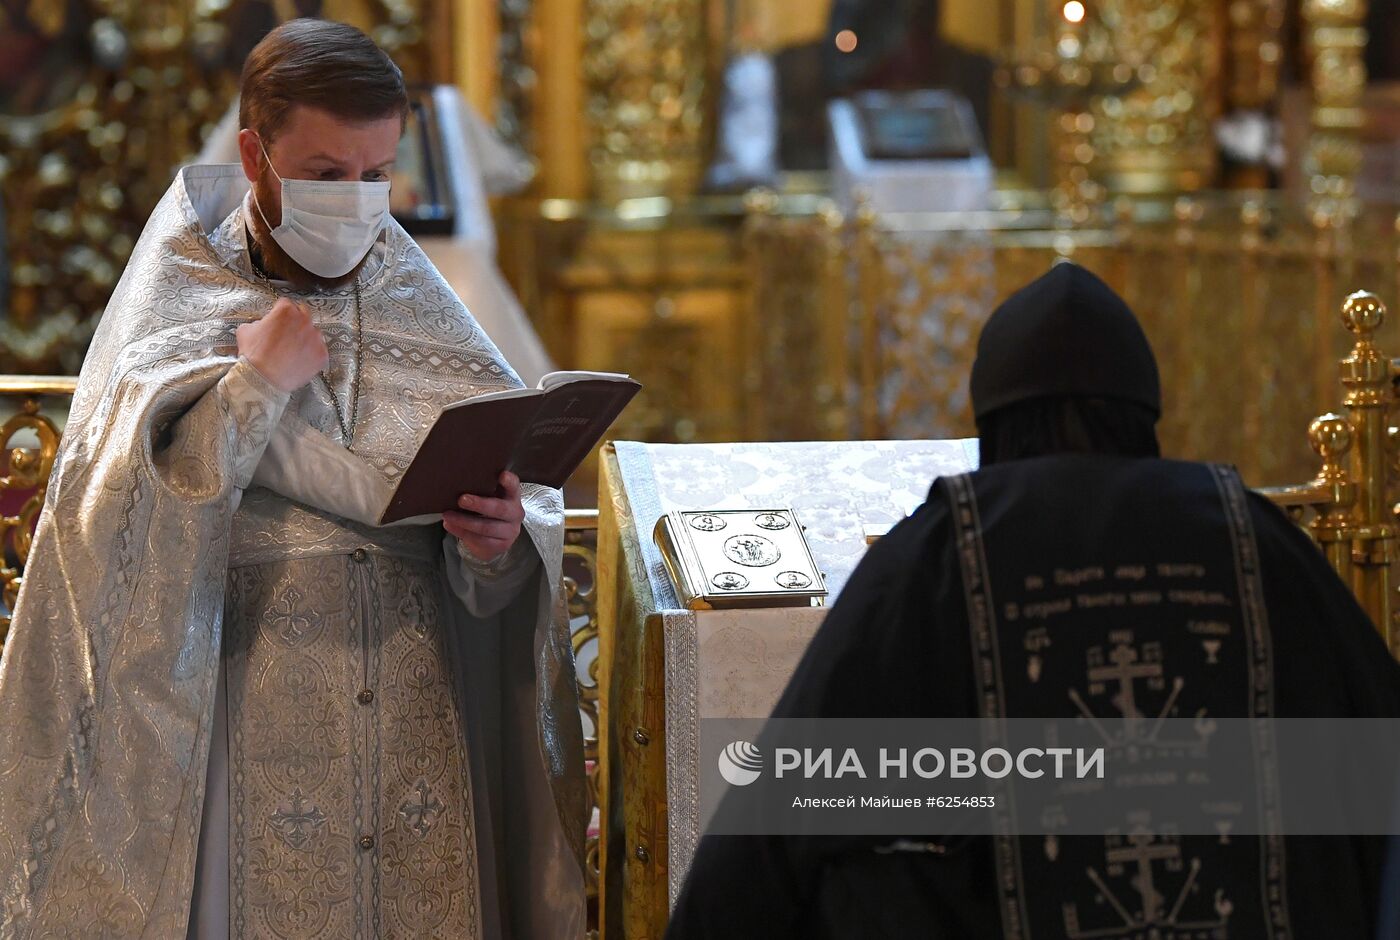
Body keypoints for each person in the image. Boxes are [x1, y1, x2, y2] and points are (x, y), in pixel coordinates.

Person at [0, 19, 585, 939]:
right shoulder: (181, 293)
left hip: (415, 724)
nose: (356, 201)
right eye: (323, 174)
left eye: (375, 175)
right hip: (243, 711)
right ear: (255, 153)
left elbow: (508, 546)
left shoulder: (417, 298)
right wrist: (253, 389)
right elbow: (111, 533)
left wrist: (498, 549)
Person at [666, 262, 1400, 938]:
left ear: (991, 421)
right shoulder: (1248, 526)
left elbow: (780, 813)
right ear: (1145, 410)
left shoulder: (947, 545)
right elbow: (1377, 745)